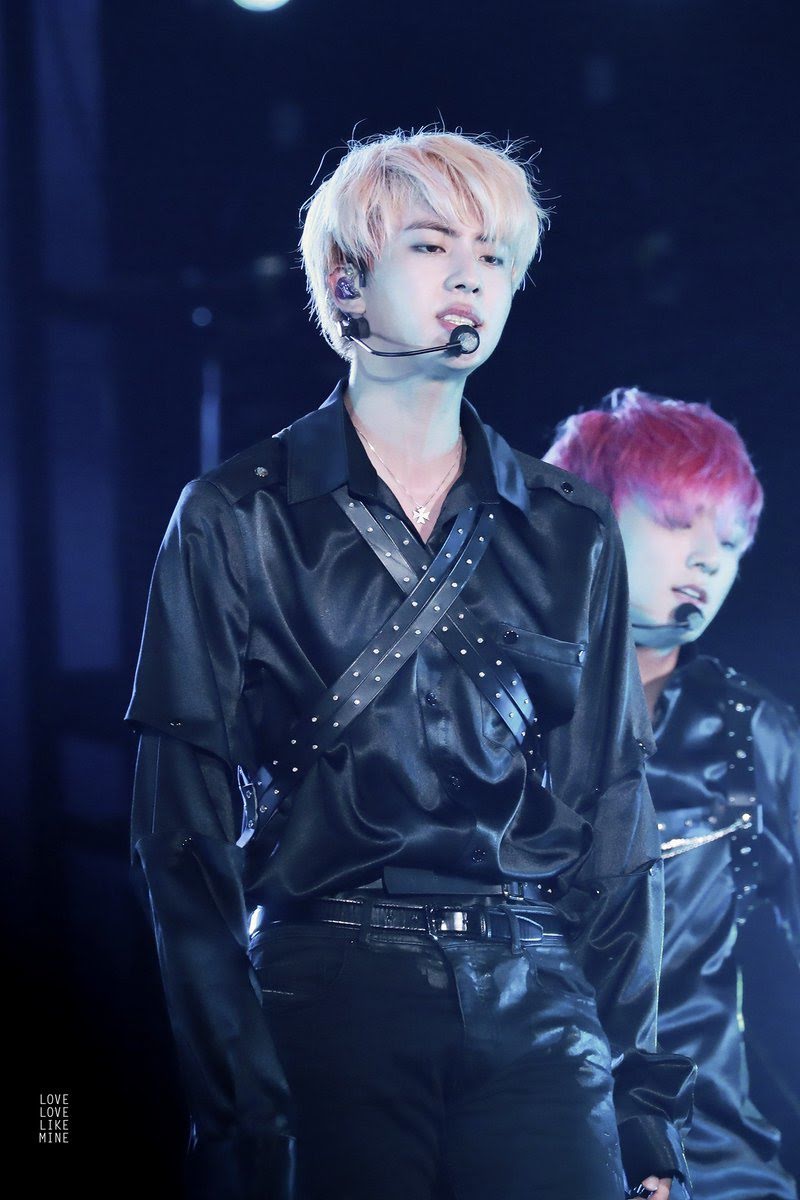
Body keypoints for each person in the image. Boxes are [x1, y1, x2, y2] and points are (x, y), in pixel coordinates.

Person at [127, 132, 693, 1200]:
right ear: (347, 281)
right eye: (432, 246)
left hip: (537, 1001)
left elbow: (614, 814)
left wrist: (640, 1114)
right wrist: (239, 1106)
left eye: (494, 256)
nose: (469, 275)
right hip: (326, 986)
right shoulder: (236, 517)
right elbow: (180, 837)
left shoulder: (570, 528)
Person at [546, 387, 800, 1197]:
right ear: (589, 516)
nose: (707, 561)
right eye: (675, 521)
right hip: (521, 1138)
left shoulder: (753, 734)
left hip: (711, 1152)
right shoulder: (487, 710)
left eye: (729, 541)